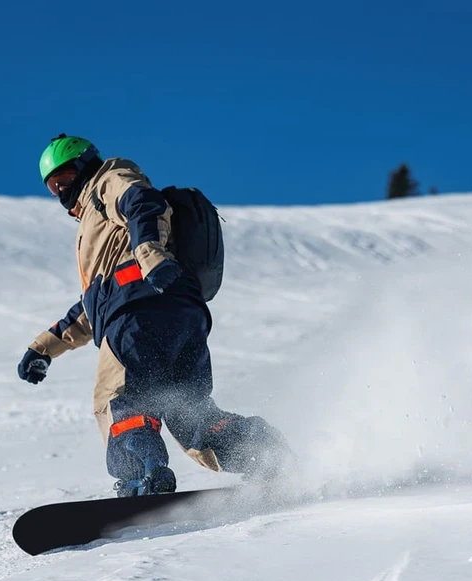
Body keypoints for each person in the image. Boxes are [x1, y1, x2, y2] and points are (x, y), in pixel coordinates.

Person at [18, 134, 291, 496]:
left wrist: (149, 255)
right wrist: (43, 348)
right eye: (53, 186)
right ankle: (268, 455)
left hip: (137, 316)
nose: (61, 190)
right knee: (191, 416)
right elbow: (93, 304)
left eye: (65, 177)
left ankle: (141, 479)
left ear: (85, 165)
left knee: (119, 399)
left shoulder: (108, 179)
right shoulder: (102, 234)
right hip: (179, 312)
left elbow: (143, 202)